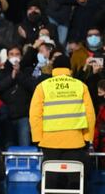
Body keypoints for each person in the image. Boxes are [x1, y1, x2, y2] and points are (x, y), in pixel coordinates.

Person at [29, 54, 96, 191]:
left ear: (54, 68)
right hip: (75, 141)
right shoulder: (81, 86)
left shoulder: (42, 86)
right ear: (69, 69)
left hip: (49, 142)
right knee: (75, 182)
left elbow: (35, 115)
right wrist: (87, 138)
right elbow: (90, 115)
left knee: (51, 180)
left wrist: (37, 138)